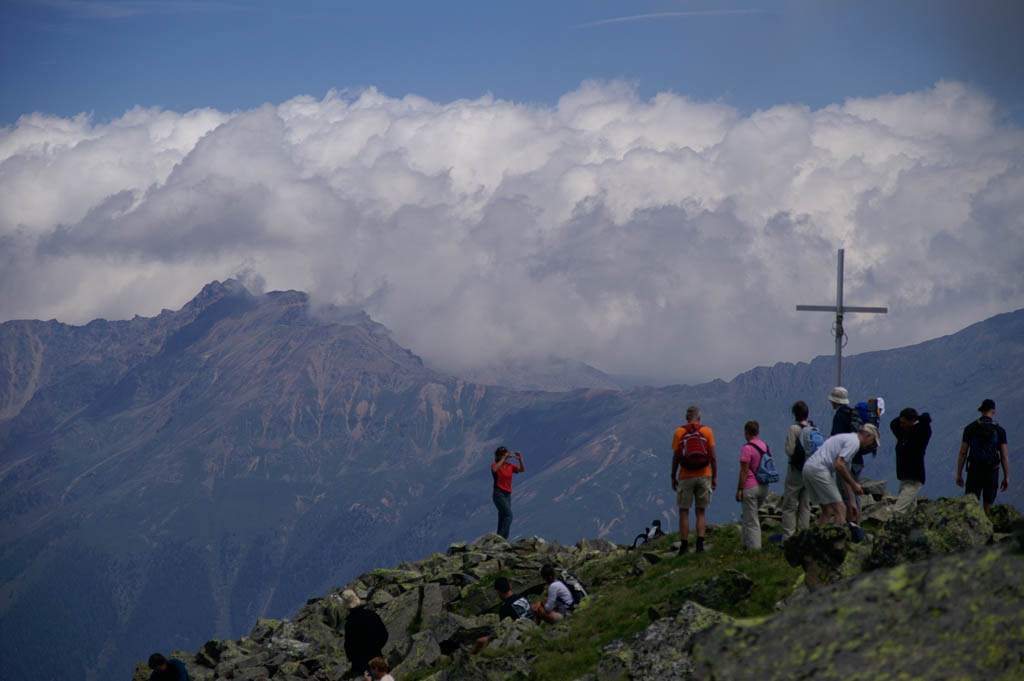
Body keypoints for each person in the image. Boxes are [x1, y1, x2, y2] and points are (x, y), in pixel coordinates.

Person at [801, 425, 879, 526]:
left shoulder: (847, 438)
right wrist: (854, 484)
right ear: (868, 435)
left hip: (808, 469)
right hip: (819, 470)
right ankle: (837, 539)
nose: (871, 446)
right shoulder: (854, 443)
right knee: (841, 508)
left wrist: (852, 502)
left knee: (828, 511)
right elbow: (838, 465)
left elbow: (843, 472)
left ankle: (814, 539)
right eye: (873, 442)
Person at [671, 405, 717, 554]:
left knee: (684, 511)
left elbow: (676, 457)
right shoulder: (707, 431)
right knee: (700, 512)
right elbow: (713, 457)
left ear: (686, 418)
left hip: (685, 475)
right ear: (699, 418)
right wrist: (714, 477)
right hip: (704, 474)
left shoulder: (679, 432)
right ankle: (700, 545)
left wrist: (673, 475)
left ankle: (684, 546)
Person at [956, 399, 1010, 516]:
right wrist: (1006, 477)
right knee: (988, 505)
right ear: (994, 411)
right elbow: (1004, 456)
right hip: (992, 471)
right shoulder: (1000, 431)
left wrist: (959, 474)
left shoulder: (970, 428)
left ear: (981, 411)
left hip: (974, 470)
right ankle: (988, 528)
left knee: (970, 505)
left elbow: (963, 453)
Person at [473, 576, 534, 652]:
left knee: (480, 641)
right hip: (533, 629)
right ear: (509, 587)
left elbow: (503, 630)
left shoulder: (505, 608)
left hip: (519, 637)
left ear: (498, 592)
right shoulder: (522, 597)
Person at [889, 407, 933, 514]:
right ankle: (912, 528)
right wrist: (903, 417)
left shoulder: (921, 434)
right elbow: (893, 424)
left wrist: (918, 418)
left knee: (898, 511)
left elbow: (925, 422)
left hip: (914, 478)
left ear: (912, 420)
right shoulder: (903, 434)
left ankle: (893, 528)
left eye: (904, 422)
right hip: (904, 478)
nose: (901, 425)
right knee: (910, 512)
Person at [781, 400, 812, 539]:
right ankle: (804, 536)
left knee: (790, 505)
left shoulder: (794, 429)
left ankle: (789, 539)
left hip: (795, 471)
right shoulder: (813, 428)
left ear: (795, 414)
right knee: (805, 506)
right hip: (810, 471)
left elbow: (789, 450)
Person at [342, 589, 389, 679]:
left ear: (346, 606)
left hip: (361, 667)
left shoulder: (349, 624)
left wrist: (355, 659)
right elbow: (384, 635)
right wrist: (377, 649)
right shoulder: (372, 615)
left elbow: (349, 648)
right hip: (377, 661)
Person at [736, 421, 769, 550]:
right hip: (764, 486)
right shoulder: (764, 446)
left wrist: (739, 489)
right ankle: (745, 544)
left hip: (750, 487)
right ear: (758, 432)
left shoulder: (747, 448)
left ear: (746, 432)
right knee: (748, 516)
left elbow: (744, 470)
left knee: (752, 520)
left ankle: (755, 549)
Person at [491, 446, 525, 539]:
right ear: (498, 456)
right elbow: (494, 470)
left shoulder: (510, 466)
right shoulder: (495, 465)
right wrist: (502, 460)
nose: (505, 456)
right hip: (498, 493)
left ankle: (498, 537)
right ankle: (503, 538)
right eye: (502, 454)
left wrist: (520, 459)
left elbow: (522, 470)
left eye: (505, 453)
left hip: (507, 494)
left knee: (502, 516)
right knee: (508, 515)